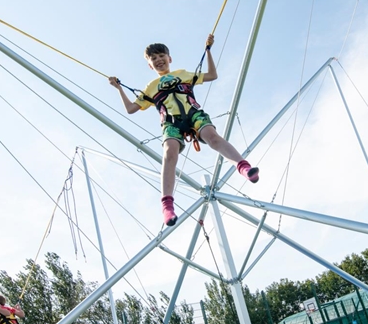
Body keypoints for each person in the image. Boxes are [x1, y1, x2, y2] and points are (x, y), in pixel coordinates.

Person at [109, 33, 259, 226]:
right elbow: (131, 109)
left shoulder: (183, 74)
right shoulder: (151, 87)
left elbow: (212, 75)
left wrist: (208, 50)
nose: (158, 60)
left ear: (169, 58)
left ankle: (244, 167)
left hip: (193, 113)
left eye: (161, 56)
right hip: (171, 122)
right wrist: (119, 88)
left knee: (212, 137)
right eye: (153, 58)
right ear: (150, 65)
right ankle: (167, 205)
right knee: (169, 152)